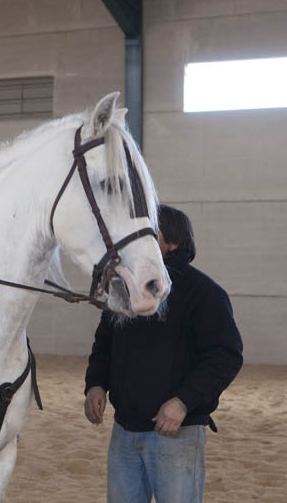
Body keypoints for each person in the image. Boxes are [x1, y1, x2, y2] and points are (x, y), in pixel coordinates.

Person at [84, 205, 243, 503]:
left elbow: (226, 356)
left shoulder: (205, 293)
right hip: (124, 432)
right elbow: (104, 344)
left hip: (176, 433)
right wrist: (95, 384)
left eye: (149, 232)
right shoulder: (125, 290)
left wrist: (183, 401)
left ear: (173, 243)